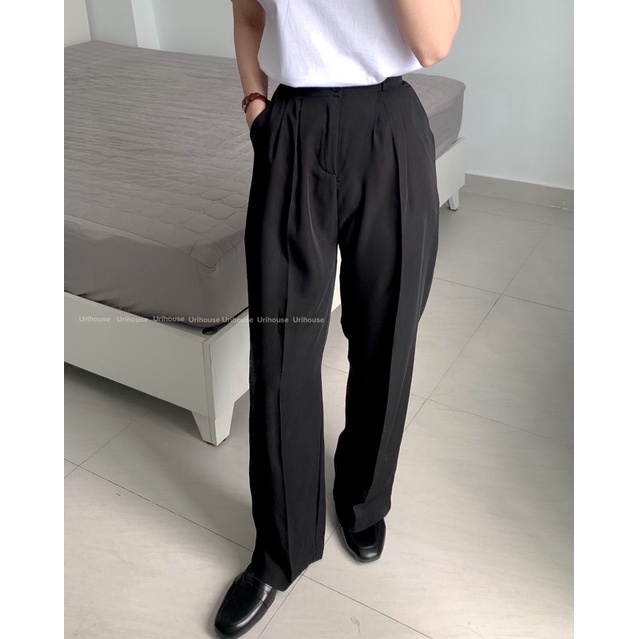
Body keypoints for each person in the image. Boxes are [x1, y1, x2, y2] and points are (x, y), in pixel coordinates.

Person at [215, 1, 461, 637]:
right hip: (292, 126)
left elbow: (433, 44)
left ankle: (363, 500)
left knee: (387, 337)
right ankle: (279, 549)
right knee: (281, 353)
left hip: (389, 126)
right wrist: (256, 105)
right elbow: (247, 15)